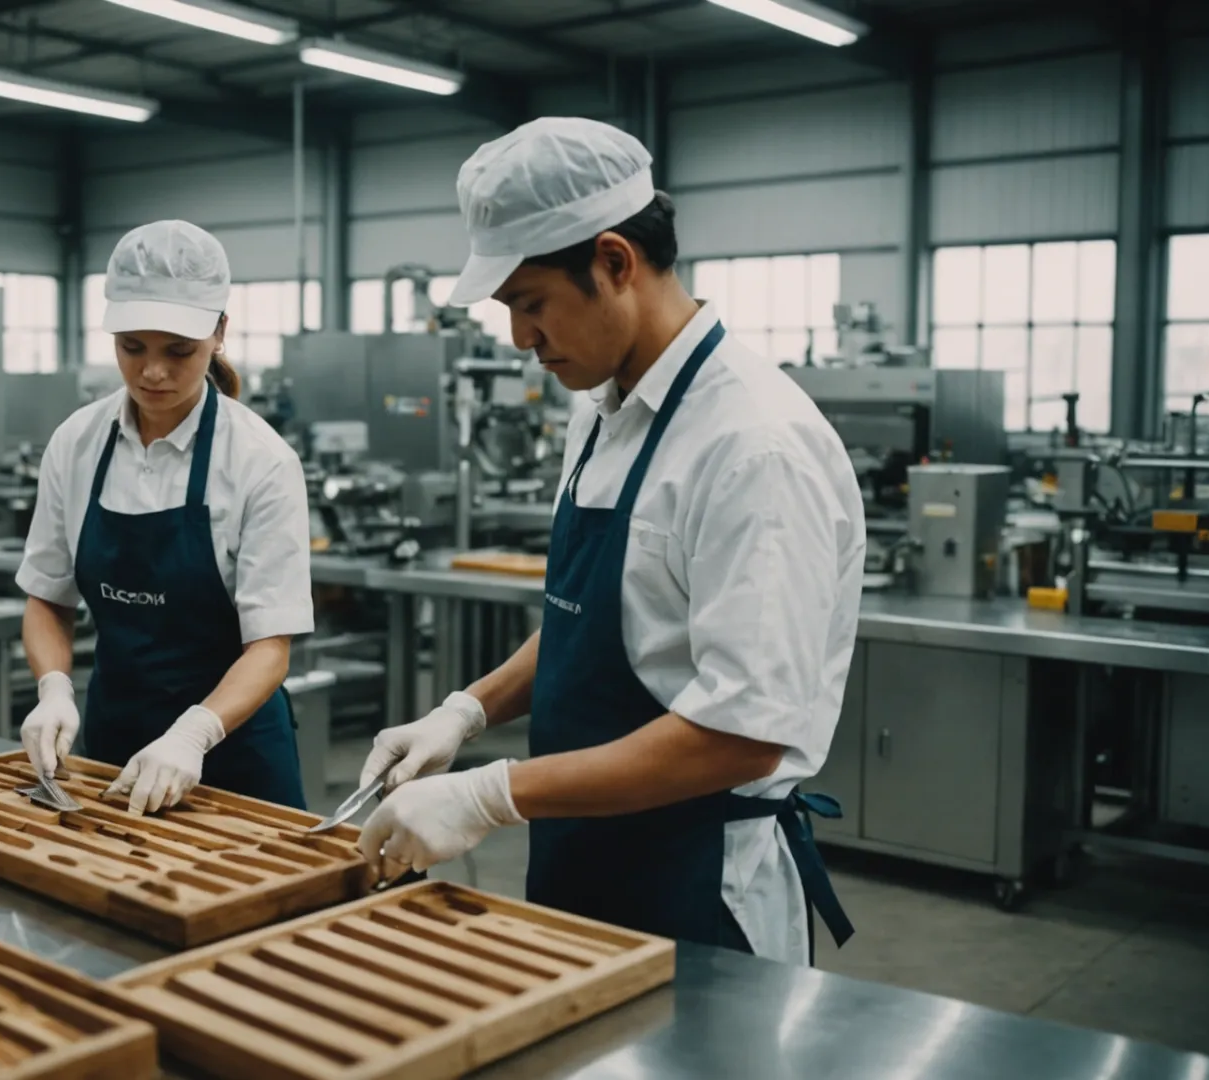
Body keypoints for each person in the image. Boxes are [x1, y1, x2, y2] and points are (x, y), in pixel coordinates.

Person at [355, 117, 864, 964]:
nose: (520, 340)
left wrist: (489, 795)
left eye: (530, 304)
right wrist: (467, 710)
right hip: (580, 849)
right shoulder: (600, 416)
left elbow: (741, 732)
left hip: (696, 881)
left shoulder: (753, 443)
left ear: (615, 262)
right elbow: (595, 621)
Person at [16, 220, 313, 813]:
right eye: (132, 347)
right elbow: (49, 597)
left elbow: (270, 646)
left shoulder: (260, 460)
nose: (152, 372)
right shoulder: (77, 442)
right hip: (111, 743)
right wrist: (52, 687)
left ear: (219, 333)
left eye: (179, 351)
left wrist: (192, 734)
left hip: (233, 750)